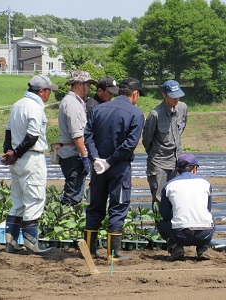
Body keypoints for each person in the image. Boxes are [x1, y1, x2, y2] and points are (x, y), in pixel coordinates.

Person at [84, 77, 145, 261]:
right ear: (134, 94)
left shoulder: (98, 109)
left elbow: (88, 135)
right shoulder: (136, 114)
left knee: (95, 205)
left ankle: (89, 251)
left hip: (98, 168)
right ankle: (113, 253)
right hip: (118, 167)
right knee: (118, 205)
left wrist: (96, 159)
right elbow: (130, 144)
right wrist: (109, 161)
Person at [1, 75, 58, 255]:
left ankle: (10, 243)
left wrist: (10, 152)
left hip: (17, 160)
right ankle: (32, 244)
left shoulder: (18, 104)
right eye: (49, 90)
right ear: (41, 91)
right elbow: (33, 136)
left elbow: (9, 130)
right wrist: (16, 153)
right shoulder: (35, 107)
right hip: (31, 157)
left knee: (18, 201)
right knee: (34, 199)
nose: (50, 94)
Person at [157, 154, 215, 261]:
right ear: (194, 169)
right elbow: (208, 209)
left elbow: (164, 214)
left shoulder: (169, 185)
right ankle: (203, 248)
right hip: (204, 234)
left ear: (178, 169)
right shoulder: (205, 183)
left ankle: (175, 248)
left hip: (180, 234)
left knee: (161, 224)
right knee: (210, 219)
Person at [142, 79, 188, 211]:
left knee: (177, 197)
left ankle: (174, 229)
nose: (176, 99)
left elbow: (181, 129)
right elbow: (147, 140)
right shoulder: (155, 115)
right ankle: (160, 229)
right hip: (159, 162)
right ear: (164, 95)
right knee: (159, 198)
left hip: (177, 161)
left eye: (178, 95)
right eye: (173, 96)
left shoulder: (182, 108)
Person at [58, 71, 97, 206]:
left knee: (74, 192)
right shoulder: (72, 104)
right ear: (80, 84)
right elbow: (77, 134)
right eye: (88, 84)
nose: (90, 88)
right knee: (72, 196)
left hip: (72, 154)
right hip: (74, 155)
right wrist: (84, 157)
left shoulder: (76, 102)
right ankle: (65, 222)